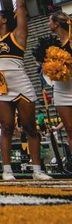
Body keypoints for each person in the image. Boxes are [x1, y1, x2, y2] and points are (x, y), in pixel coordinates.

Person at [0, 0, 51, 180]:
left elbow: (20, 6)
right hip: (1, 85)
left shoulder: (18, 35)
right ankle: (7, 170)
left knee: (30, 128)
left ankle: (37, 170)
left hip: (20, 82)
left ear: (4, 20)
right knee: (6, 128)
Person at [49, 12, 72, 156]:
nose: (48, 24)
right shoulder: (53, 45)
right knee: (69, 130)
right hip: (61, 90)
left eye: (50, 21)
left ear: (56, 23)